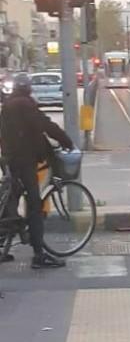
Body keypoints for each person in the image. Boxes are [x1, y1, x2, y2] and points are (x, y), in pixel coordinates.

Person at [0, 72, 74, 269]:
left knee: (10, 200)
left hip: (9, 159)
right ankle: (39, 255)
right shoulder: (26, 104)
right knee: (34, 205)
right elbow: (45, 125)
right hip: (24, 161)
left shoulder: (8, 104)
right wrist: (66, 141)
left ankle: (3, 242)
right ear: (28, 88)